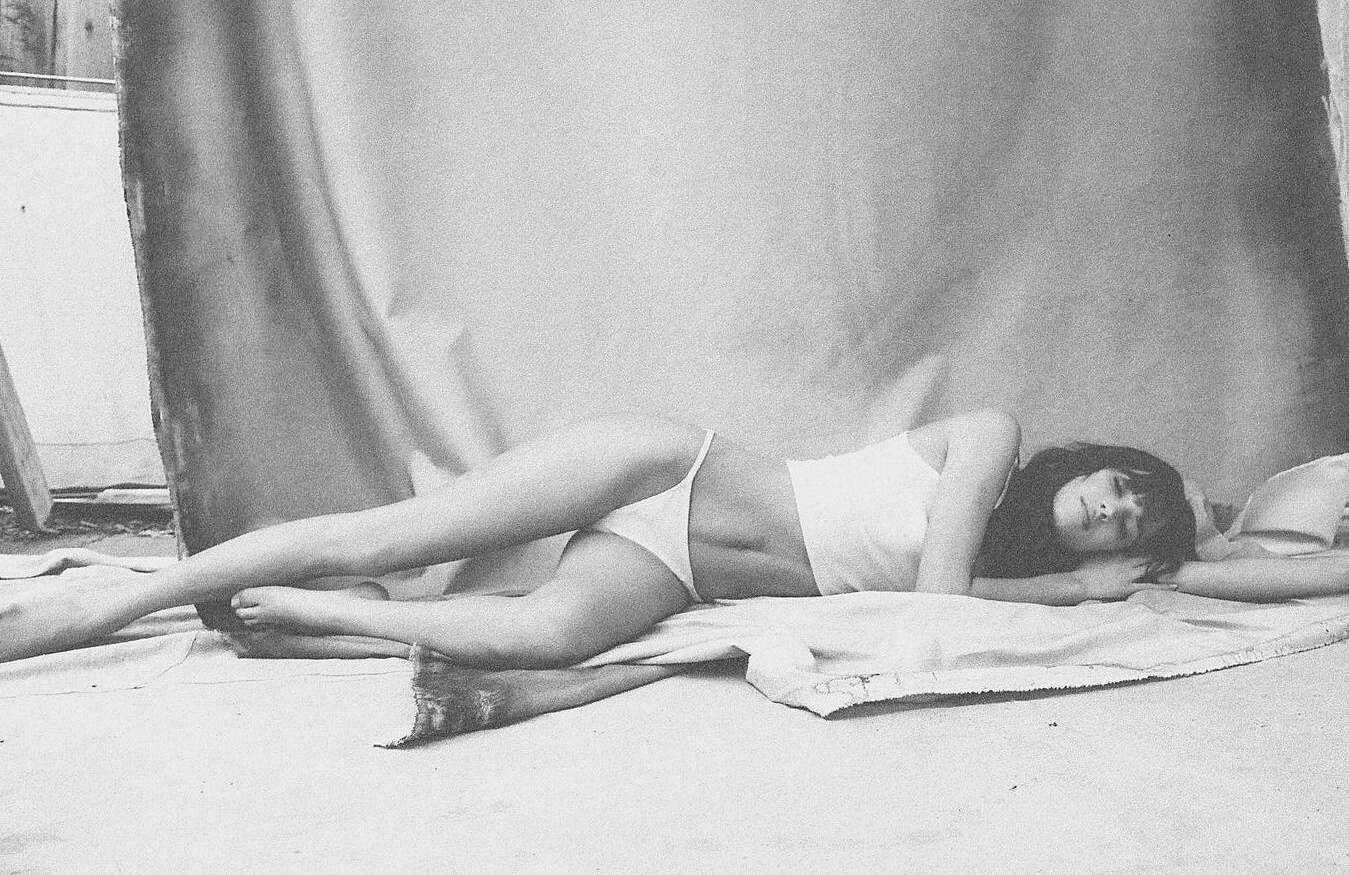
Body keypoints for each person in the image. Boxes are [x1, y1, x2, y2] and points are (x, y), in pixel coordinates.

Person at [0, 409, 1334, 668]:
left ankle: (321, 621)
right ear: (1086, 462)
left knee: (544, 637)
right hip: (669, 468)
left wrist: (1200, 548)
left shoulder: (1040, 569)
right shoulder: (989, 438)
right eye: (1120, 486)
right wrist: (1077, 597)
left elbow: (1299, 573)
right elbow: (936, 602)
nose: (1113, 512)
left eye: (1131, 524)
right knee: (380, 534)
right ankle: (96, 611)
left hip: (680, 569)